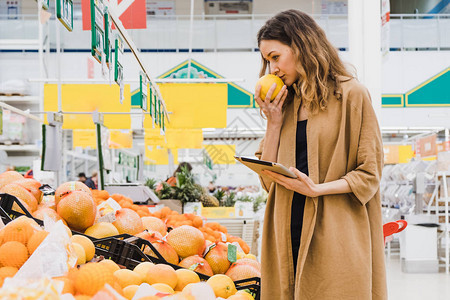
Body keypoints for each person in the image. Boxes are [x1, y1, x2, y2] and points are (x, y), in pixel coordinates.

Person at [254, 10, 386, 299]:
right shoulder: (285, 103)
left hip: (334, 231)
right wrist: (273, 122)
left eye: (275, 57)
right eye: (267, 61)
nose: (271, 69)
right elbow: (268, 182)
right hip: (285, 228)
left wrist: (315, 189)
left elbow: (369, 174)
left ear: (301, 45)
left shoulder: (352, 95)